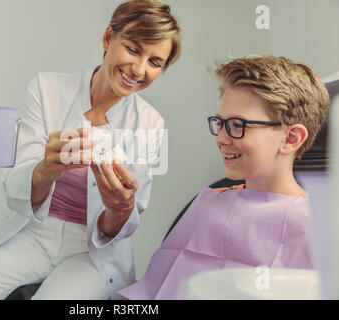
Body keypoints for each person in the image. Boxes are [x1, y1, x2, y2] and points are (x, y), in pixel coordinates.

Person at [0, 0, 181, 300]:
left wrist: (120, 208)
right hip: (34, 236)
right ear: (108, 38)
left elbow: (120, 226)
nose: (139, 69)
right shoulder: (47, 88)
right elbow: (15, 187)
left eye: (155, 62)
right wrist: (45, 169)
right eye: (132, 49)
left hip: (91, 255)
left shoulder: (150, 123)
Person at [118, 55, 330, 299]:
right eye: (220, 123)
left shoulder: (314, 226)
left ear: (290, 138)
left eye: (238, 125)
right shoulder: (208, 203)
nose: (220, 138)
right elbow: (153, 290)